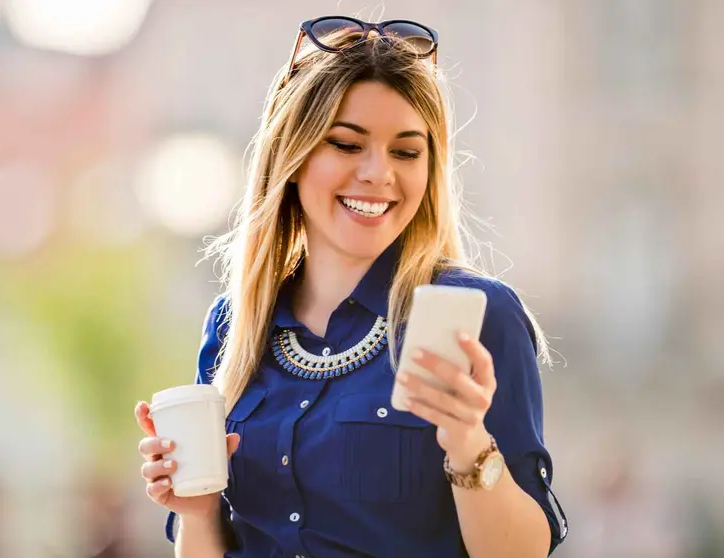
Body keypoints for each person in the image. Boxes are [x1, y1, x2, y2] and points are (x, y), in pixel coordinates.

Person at [134, 15, 568, 557]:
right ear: (293, 155)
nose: (378, 173)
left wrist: (467, 441)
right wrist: (196, 510)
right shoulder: (234, 325)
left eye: (406, 152)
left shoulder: (479, 315)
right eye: (346, 144)